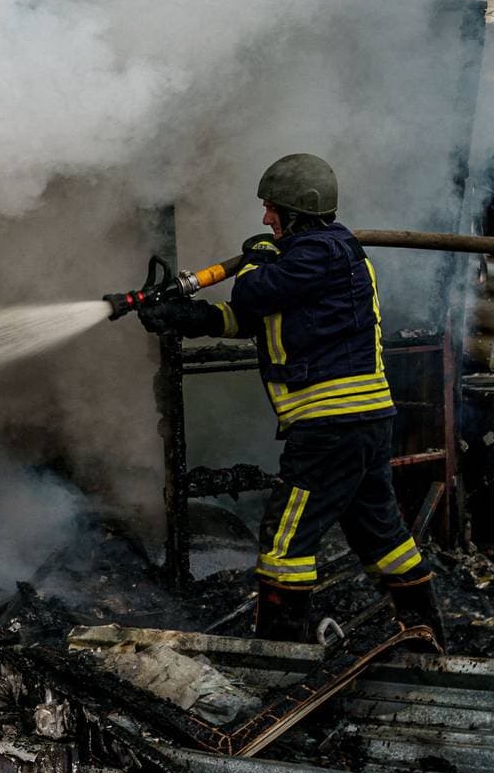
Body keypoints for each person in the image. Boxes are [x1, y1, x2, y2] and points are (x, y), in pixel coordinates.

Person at [140, 154, 445, 648]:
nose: (266, 220)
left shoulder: (319, 253)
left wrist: (260, 255)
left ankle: (283, 660)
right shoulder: (316, 258)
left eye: (271, 210)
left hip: (331, 426)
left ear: (298, 211)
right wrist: (184, 317)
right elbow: (253, 317)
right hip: (359, 424)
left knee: (286, 542)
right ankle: (424, 630)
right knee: (382, 534)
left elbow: (255, 292)